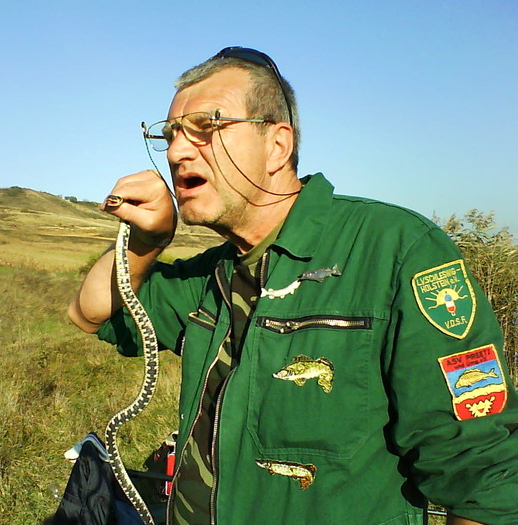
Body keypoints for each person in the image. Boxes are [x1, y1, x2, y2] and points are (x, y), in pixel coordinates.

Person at [69, 46, 518, 524]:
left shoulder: (394, 250)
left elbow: (483, 477)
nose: (178, 151)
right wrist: (146, 240)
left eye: (206, 127)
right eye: (171, 134)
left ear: (278, 145)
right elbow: (90, 313)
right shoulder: (211, 273)